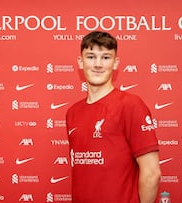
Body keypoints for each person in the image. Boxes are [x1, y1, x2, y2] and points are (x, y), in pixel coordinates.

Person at [66, 31, 161, 203]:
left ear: (115, 63)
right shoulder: (72, 112)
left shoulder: (131, 105)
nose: (98, 64)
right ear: (80, 62)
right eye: (91, 56)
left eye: (105, 58)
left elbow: (152, 173)